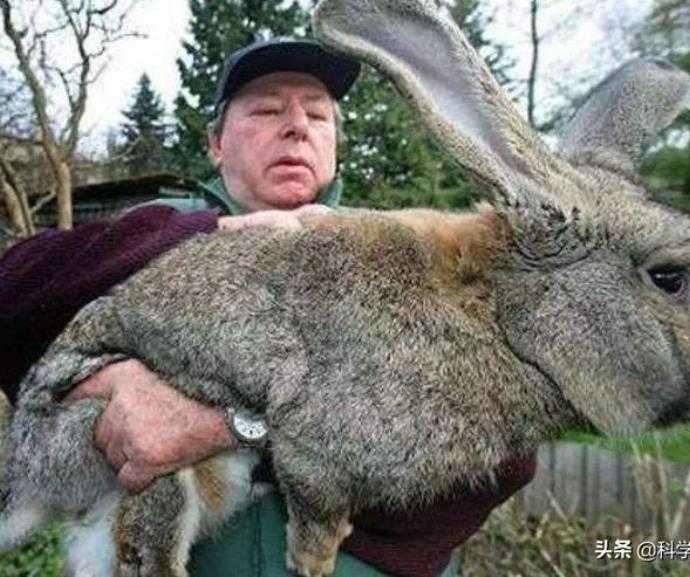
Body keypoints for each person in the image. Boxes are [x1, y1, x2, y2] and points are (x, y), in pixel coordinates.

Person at [0, 38, 536, 577]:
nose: (297, 127)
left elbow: (500, 450)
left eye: (318, 115)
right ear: (216, 143)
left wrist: (231, 427)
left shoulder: (403, 254)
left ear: (335, 145)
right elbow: (15, 289)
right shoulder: (154, 230)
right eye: (267, 110)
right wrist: (224, 233)